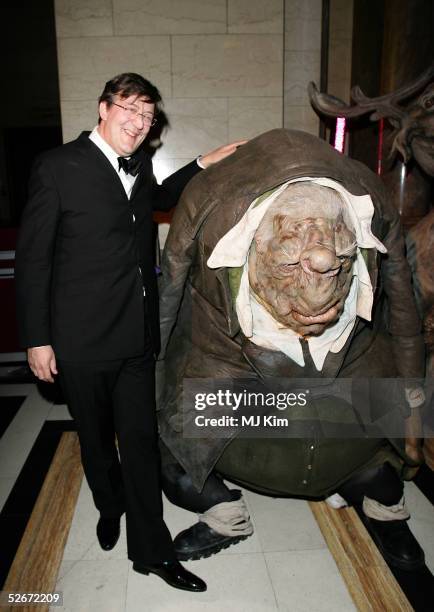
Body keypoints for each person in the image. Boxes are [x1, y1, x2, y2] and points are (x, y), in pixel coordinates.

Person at [15, 72, 244, 592]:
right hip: (80, 340)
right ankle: (108, 503)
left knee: (140, 445)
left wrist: (203, 163)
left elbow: (158, 196)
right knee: (97, 444)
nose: (140, 123)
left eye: (148, 116)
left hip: (136, 338)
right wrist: (37, 339)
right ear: (103, 108)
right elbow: (33, 261)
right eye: (131, 109)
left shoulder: (138, 167)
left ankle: (152, 552)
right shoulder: (57, 167)